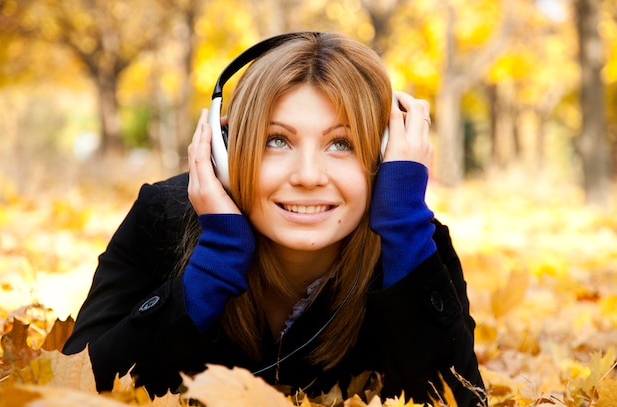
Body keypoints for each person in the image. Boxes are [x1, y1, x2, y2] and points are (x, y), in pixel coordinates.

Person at [63, 31, 486, 406]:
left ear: (384, 157)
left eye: (342, 144)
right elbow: (72, 391)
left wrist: (404, 232)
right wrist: (215, 264)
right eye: (277, 140)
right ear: (224, 150)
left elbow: (458, 400)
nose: (307, 176)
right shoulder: (162, 217)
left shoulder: (409, 238)